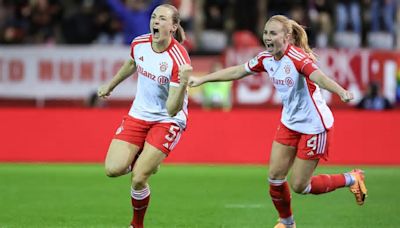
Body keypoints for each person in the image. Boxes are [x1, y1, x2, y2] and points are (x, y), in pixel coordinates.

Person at [188, 15, 367, 228]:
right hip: (289, 123)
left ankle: (352, 178)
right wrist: (202, 79)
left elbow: (319, 77)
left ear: (287, 37)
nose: (267, 37)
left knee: (301, 185)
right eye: (265, 33)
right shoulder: (266, 59)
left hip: (314, 126)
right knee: (274, 177)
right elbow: (237, 71)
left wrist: (340, 91)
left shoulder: (297, 58)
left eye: (273, 33)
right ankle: (287, 223)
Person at [97, 4, 192, 228]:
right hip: (138, 114)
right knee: (112, 169)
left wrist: (184, 83)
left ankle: (136, 224)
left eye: (162, 19)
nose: (155, 22)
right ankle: (147, 158)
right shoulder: (139, 43)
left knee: (139, 177)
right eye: (153, 17)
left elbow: (171, 109)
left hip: (168, 119)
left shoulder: (179, 59)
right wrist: (110, 85)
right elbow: (132, 63)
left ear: (174, 26)